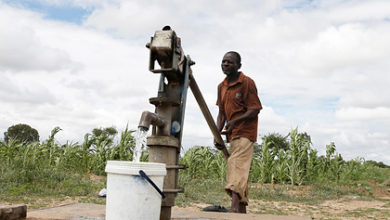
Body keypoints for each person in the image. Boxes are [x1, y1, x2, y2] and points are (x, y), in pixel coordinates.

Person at [215, 51, 262, 213]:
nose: (225, 64)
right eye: (223, 61)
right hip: (232, 134)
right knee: (238, 168)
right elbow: (221, 113)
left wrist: (235, 121)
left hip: (245, 132)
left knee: (236, 164)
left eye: (230, 62)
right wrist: (217, 133)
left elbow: (255, 109)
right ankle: (241, 210)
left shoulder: (247, 83)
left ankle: (234, 208)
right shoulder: (221, 87)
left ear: (238, 66)